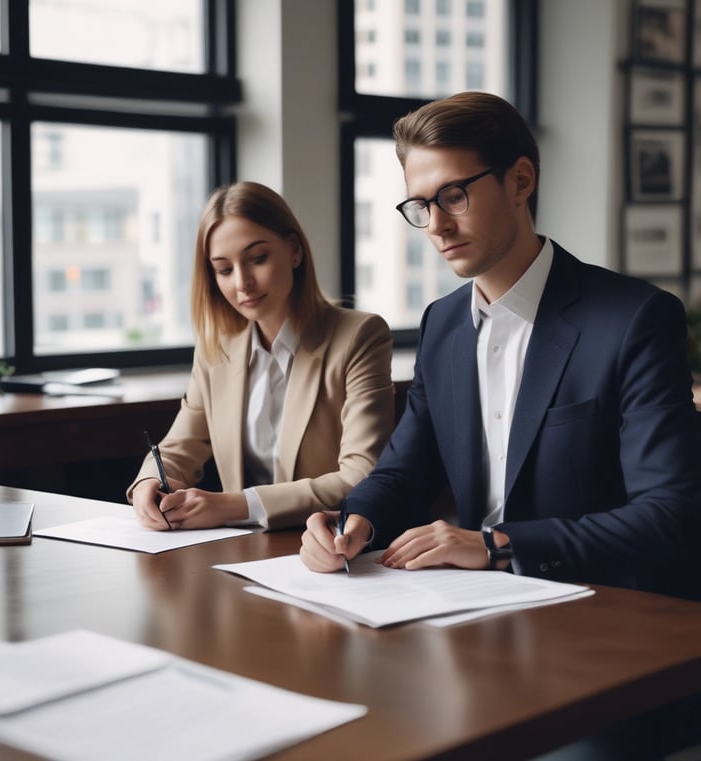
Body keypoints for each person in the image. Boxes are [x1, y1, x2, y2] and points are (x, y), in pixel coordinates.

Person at [299, 92, 700, 757]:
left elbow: (674, 512)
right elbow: (404, 466)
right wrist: (353, 520)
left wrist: (498, 542)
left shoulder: (632, 319)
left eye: (453, 195)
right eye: (420, 206)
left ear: (521, 180)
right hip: (461, 621)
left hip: (601, 634)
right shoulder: (442, 324)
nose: (435, 225)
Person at [128, 181, 394, 531]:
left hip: (330, 544)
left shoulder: (359, 336)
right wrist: (148, 483)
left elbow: (361, 475)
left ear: (294, 250)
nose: (242, 283)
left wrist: (234, 505)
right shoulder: (217, 349)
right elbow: (179, 448)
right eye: (224, 270)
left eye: (257, 259)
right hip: (240, 550)